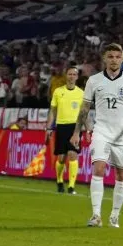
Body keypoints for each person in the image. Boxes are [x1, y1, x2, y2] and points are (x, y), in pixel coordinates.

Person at [74, 44, 123, 228]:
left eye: (117, 57)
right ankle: (96, 215)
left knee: (121, 175)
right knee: (99, 168)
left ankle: (114, 215)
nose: (114, 60)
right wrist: (77, 131)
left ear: (122, 58)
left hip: (122, 135)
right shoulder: (94, 81)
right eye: (110, 56)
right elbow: (85, 108)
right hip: (101, 131)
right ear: (105, 58)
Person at [47, 66, 84, 194]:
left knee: (73, 155)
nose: (72, 76)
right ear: (66, 75)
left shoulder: (81, 93)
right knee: (62, 158)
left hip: (75, 127)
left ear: (77, 77)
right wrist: (49, 127)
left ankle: (71, 186)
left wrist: (87, 129)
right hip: (61, 126)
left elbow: (83, 113)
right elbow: (53, 111)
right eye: (70, 74)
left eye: (74, 74)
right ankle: (59, 181)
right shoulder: (58, 91)